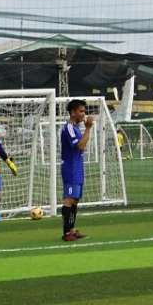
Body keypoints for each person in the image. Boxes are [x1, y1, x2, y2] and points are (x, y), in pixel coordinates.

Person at [60, 99, 93, 241]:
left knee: (76, 200)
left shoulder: (76, 129)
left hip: (77, 168)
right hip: (70, 168)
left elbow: (82, 146)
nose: (83, 114)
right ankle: (66, 233)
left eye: (84, 111)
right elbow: (79, 146)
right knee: (69, 200)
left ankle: (72, 230)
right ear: (72, 112)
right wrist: (88, 128)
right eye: (81, 111)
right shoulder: (69, 128)